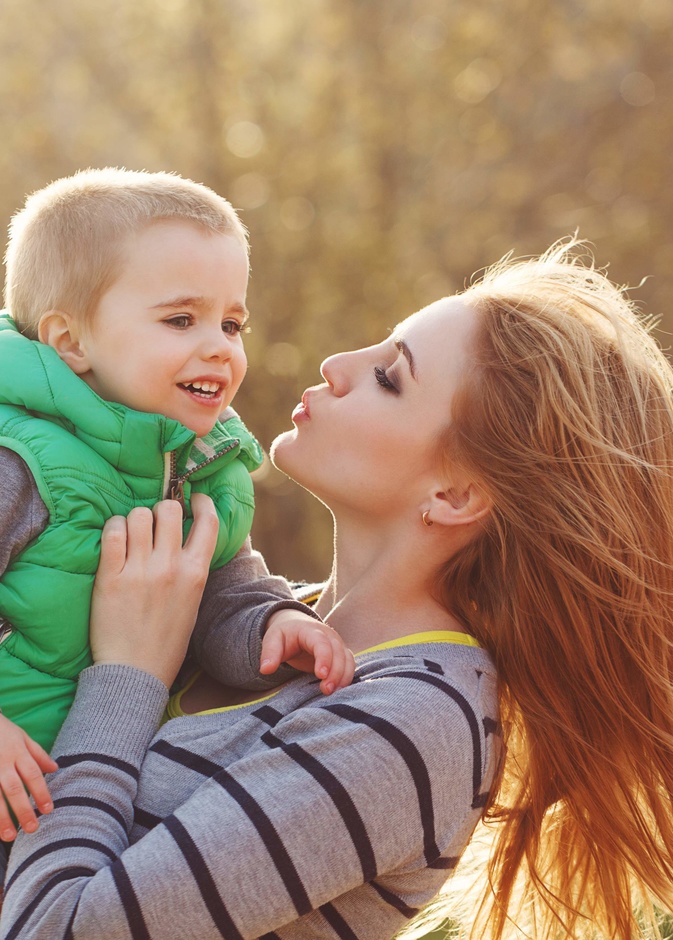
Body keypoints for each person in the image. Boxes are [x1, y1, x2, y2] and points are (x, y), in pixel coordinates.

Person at [2, 238, 672, 940]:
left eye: (389, 376)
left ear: (454, 493)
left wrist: (126, 675)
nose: (336, 365)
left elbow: (55, 929)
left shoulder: (412, 723)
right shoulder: (246, 615)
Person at [0, 168, 352, 857]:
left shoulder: (203, 468)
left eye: (232, 322)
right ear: (70, 343)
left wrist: (272, 625)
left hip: (79, 797)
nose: (220, 345)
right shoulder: (20, 462)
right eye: (180, 320)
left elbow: (226, 590)